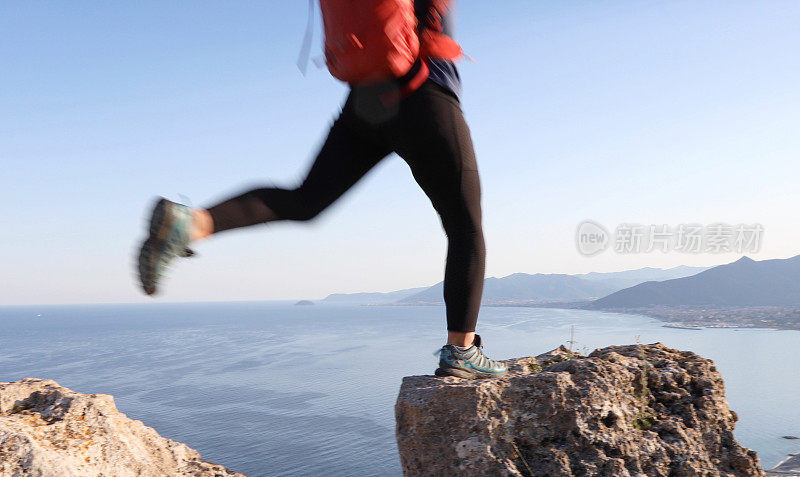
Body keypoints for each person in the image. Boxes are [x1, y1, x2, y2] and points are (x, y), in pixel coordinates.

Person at [136, 0, 507, 379]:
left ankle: (192, 223)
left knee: (305, 199)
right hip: (423, 91)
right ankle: (462, 349)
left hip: (365, 99)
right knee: (465, 226)